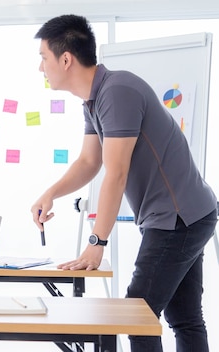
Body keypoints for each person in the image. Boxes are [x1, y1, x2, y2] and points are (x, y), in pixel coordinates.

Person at [31, 14, 217, 352]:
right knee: (184, 318)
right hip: (185, 215)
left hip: (179, 218)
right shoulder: (93, 100)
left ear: (66, 58)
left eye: (43, 58)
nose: (41, 68)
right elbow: (90, 162)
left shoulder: (117, 92)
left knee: (137, 315)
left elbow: (115, 174)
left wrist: (96, 241)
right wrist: (51, 193)